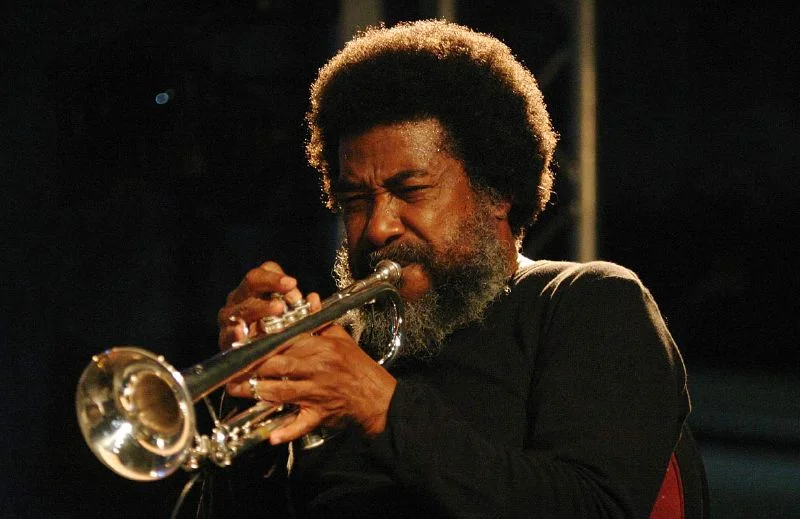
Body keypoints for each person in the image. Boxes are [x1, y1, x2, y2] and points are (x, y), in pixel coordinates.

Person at [216, 20, 691, 518]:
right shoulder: (345, 349)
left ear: (497, 191)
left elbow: (596, 507)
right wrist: (249, 401)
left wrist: (380, 407)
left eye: (410, 190)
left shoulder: (586, 302)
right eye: (355, 200)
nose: (377, 227)